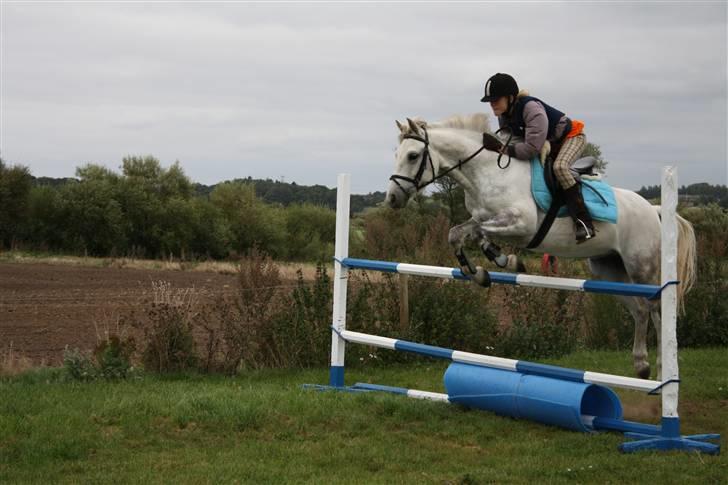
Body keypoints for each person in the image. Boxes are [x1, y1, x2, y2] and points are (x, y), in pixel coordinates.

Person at [479, 72, 595, 243]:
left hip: (571, 137)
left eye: (496, 99)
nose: (492, 104)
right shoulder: (504, 116)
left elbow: (531, 148)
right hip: (548, 144)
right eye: (490, 101)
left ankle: (584, 223)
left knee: (560, 168)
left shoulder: (531, 108)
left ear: (510, 97)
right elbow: (510, 142)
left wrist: (502, 149)